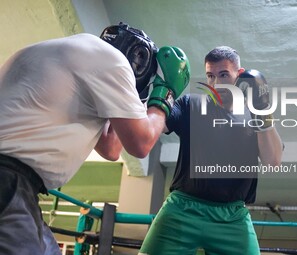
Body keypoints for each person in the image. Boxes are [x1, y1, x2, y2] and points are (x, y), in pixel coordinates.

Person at [0, 22, 190, 255]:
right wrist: (165, 94)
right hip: (8, 181)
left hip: (19, 187)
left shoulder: (70, 53)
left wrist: (134, 103)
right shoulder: (113, 61)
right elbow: (141, 144)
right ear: (138, 61)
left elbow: (110, 148)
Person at [138, 46, 283, 255]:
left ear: (239, 75)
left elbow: (273, 161)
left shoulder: (253, 116)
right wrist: (150, 89)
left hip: (232, 218)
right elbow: (151, 127)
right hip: (182, 209)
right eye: (210, 76)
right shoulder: (191, 104)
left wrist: (263, 111)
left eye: (224, 75)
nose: (216, 84)